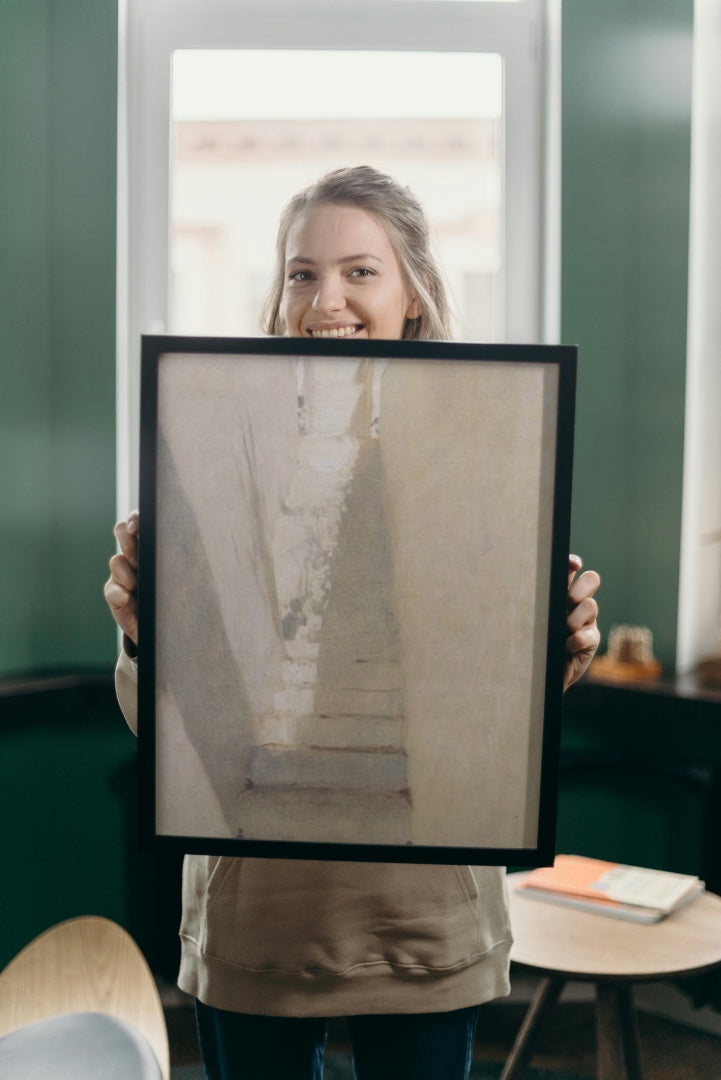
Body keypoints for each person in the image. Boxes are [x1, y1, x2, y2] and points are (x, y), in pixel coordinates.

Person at [105, 166, 601, 1080]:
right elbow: (169, 732)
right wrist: (146, 637)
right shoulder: (209, 459)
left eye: (359, 272)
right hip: (257, 915)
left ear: (412, 293)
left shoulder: (485, 456)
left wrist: (555, 651)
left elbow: (490, 717)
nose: (324, 298)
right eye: (301, 273)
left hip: (422, 914)